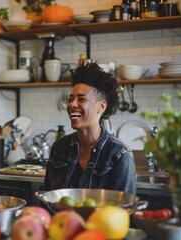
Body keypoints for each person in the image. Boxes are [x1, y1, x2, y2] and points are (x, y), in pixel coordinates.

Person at [44, 61, 136, 194]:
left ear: (101, 106)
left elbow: (122, 209)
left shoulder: (119, 154)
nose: (72, 105)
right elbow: (48, 198)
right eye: (70, 99)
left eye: (81, 99)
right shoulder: (59, 147)